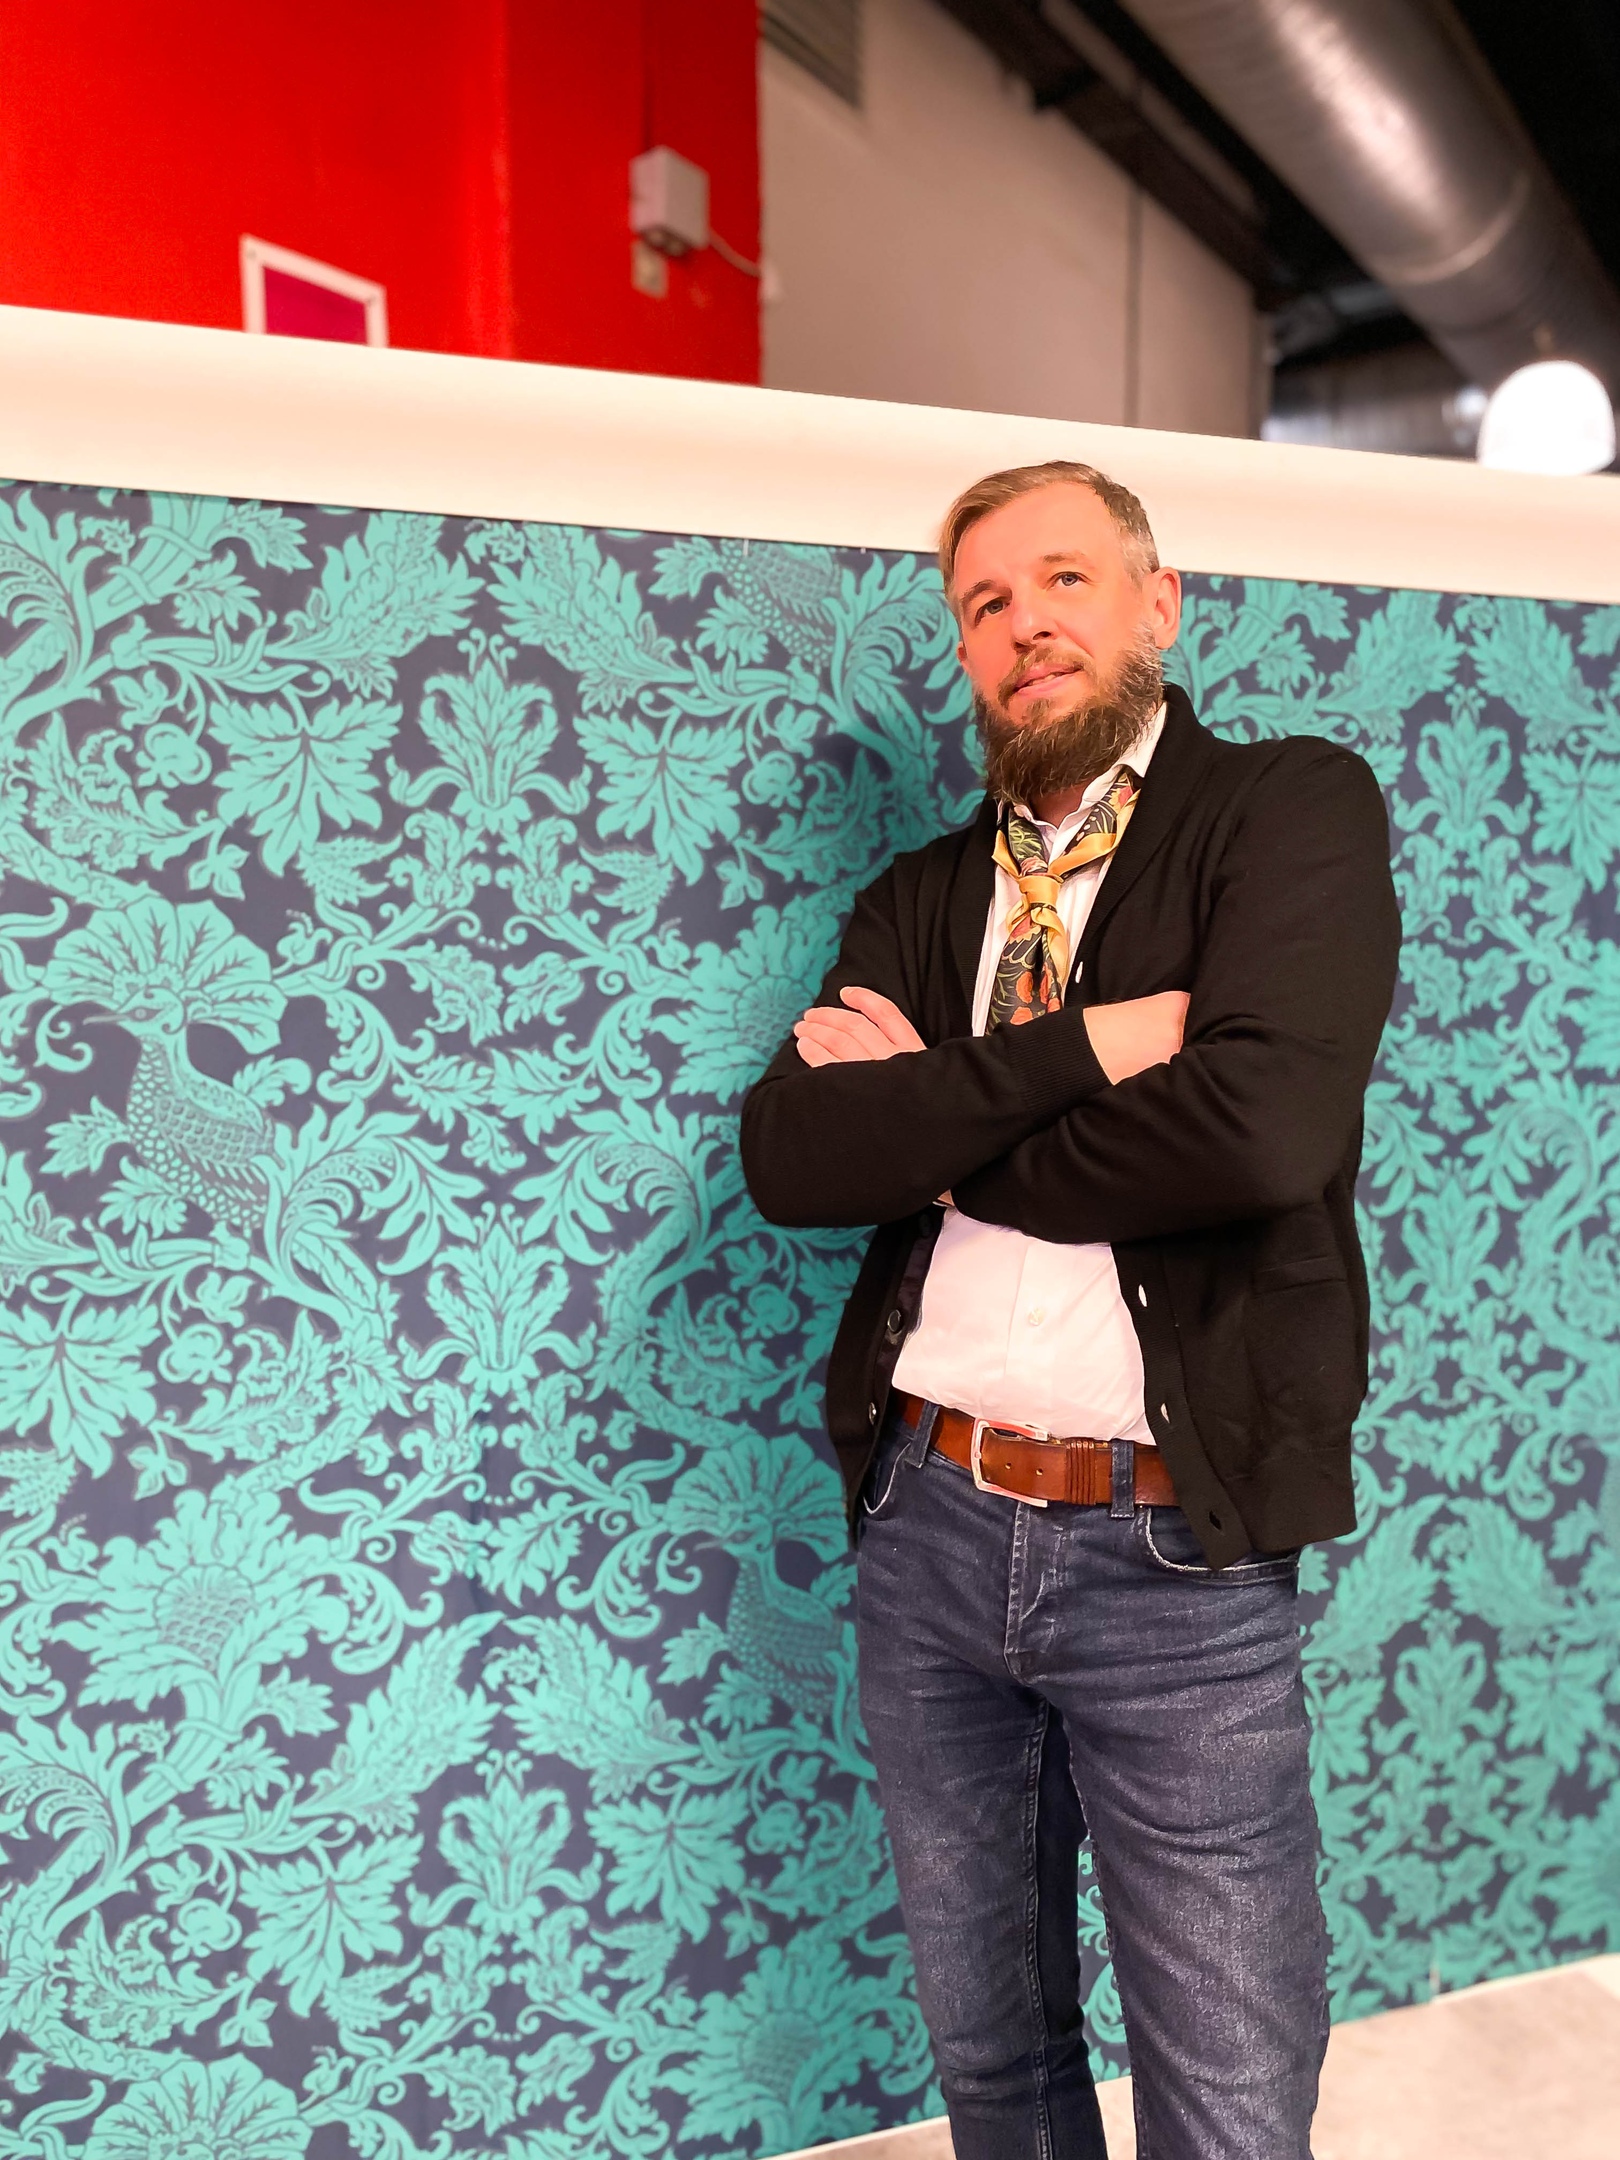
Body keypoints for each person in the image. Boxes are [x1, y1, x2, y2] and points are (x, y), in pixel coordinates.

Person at [740, 460, 1401, 2160]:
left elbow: (1260, 1134)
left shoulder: (1285, 811)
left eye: (1064, 580)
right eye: (985, 603)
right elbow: (798, 1155)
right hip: (929, 1527)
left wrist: (939, 1123)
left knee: (1230, 2090)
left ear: (1154, 604)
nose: (1025, 622)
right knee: (994, 2061)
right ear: (965, 654)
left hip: (1175, 1553)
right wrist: (1095, 1048)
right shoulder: (920, 894)